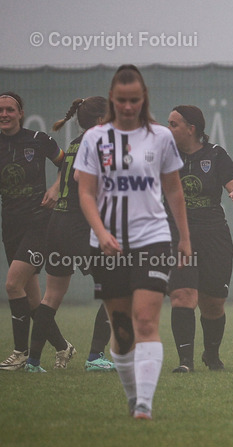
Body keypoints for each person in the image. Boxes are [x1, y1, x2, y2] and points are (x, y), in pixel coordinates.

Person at [74, 65, 190, 419]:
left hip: (152, 239)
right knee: (122, 332)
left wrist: (183, 237)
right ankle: (131, 394)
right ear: (113, 99)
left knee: (145, 322)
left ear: (144, 99)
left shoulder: (160, 137)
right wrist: (102, 232)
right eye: (122, 100)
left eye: (134, 100)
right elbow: (86, 193)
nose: (128, 106)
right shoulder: (95, 138)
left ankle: (145, 403)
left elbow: (173, 187)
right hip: (108, 244)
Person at [26, 97, 116, 372]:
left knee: (51, 295)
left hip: (58, 224)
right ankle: (95, 357)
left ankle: (32, 362)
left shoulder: (76, 143)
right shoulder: (102, 142)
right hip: (81, 225)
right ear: (101, 119)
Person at [166, 105, 233, 372]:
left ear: (192, 129)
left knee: (212, 303)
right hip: (177, 236)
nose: (169, 129)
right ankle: (185, 362)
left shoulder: (215, 155)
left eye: (174, 124)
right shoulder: (164, 157)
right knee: (183, 296)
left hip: (214, 235)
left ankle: (211, 355)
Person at [0, 91, 65, 372]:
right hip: (10, 225)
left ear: (20, 113)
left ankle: (20, 352)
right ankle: (63, 347)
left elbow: (68, 166)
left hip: (39, 223)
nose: (4, 114)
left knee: (12, 284)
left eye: (9, 110)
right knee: (31, 298)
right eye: (0, 110)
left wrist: (56, 188)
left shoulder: (39, 140)